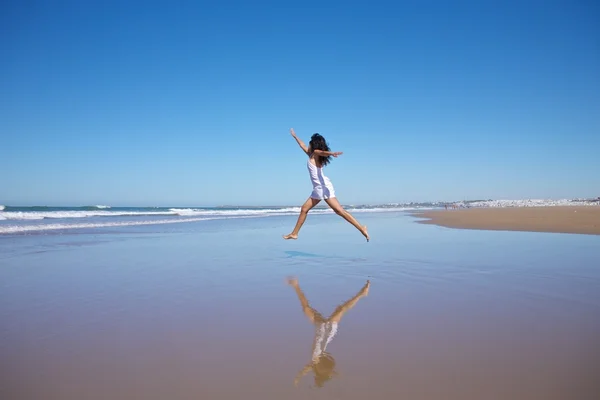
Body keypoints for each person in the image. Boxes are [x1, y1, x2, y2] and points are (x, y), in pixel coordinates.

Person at [283, 128, 370, 242]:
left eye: (310, 143)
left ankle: (295, 233)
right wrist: (295, 136)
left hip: (322, 188)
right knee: (313, 209)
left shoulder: (315, 154)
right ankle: (294, 233)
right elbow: (302, 145)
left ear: (313, 145)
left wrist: (331, 153)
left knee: (336, 211)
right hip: (320, 187)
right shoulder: (311, 155)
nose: (308, 145)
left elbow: (320, 152)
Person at [287, 277, 370, 388]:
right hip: (328, 331)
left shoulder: (313, 363)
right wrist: (339, 376)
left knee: (306, 308)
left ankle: (296, 285)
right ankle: (362, 294)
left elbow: (305, 369)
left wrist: (298, 377)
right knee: (341, 309)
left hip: (319, 328)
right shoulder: (319, 364)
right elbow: (331, 373)